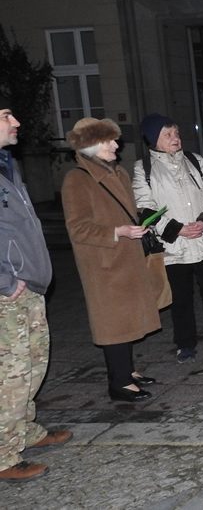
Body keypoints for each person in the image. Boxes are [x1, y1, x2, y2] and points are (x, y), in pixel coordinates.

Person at [62, 117, 161, 403]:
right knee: (114, 323)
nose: (116, 145)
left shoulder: (118, 173)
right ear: (91, 145)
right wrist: (117, 231)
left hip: (126, 257)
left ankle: (128, 370)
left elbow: (124, 212)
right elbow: (77, 228)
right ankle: (119, 383)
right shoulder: (77, 180)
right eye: (109, 141)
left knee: (128, 319)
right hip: (104, 263)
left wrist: (141, 223)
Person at [0, 94, 72, 482]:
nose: (17, 122)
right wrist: (5, 281)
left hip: (29, 289)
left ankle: (24, 431)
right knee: (9, 374)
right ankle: (2, 454)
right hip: (7, 294)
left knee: (32, 364)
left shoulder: (7, 166)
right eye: (7, 115)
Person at [133, 113, 203, 363]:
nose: (175, 138)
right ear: (154, 139)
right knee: (180, 299)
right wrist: (175, 228)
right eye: (168, 134)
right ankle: (185, 343)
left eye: (176, 133)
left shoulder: (194, 160)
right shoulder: (143, 168)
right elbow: (145, 207)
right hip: (174, 247)